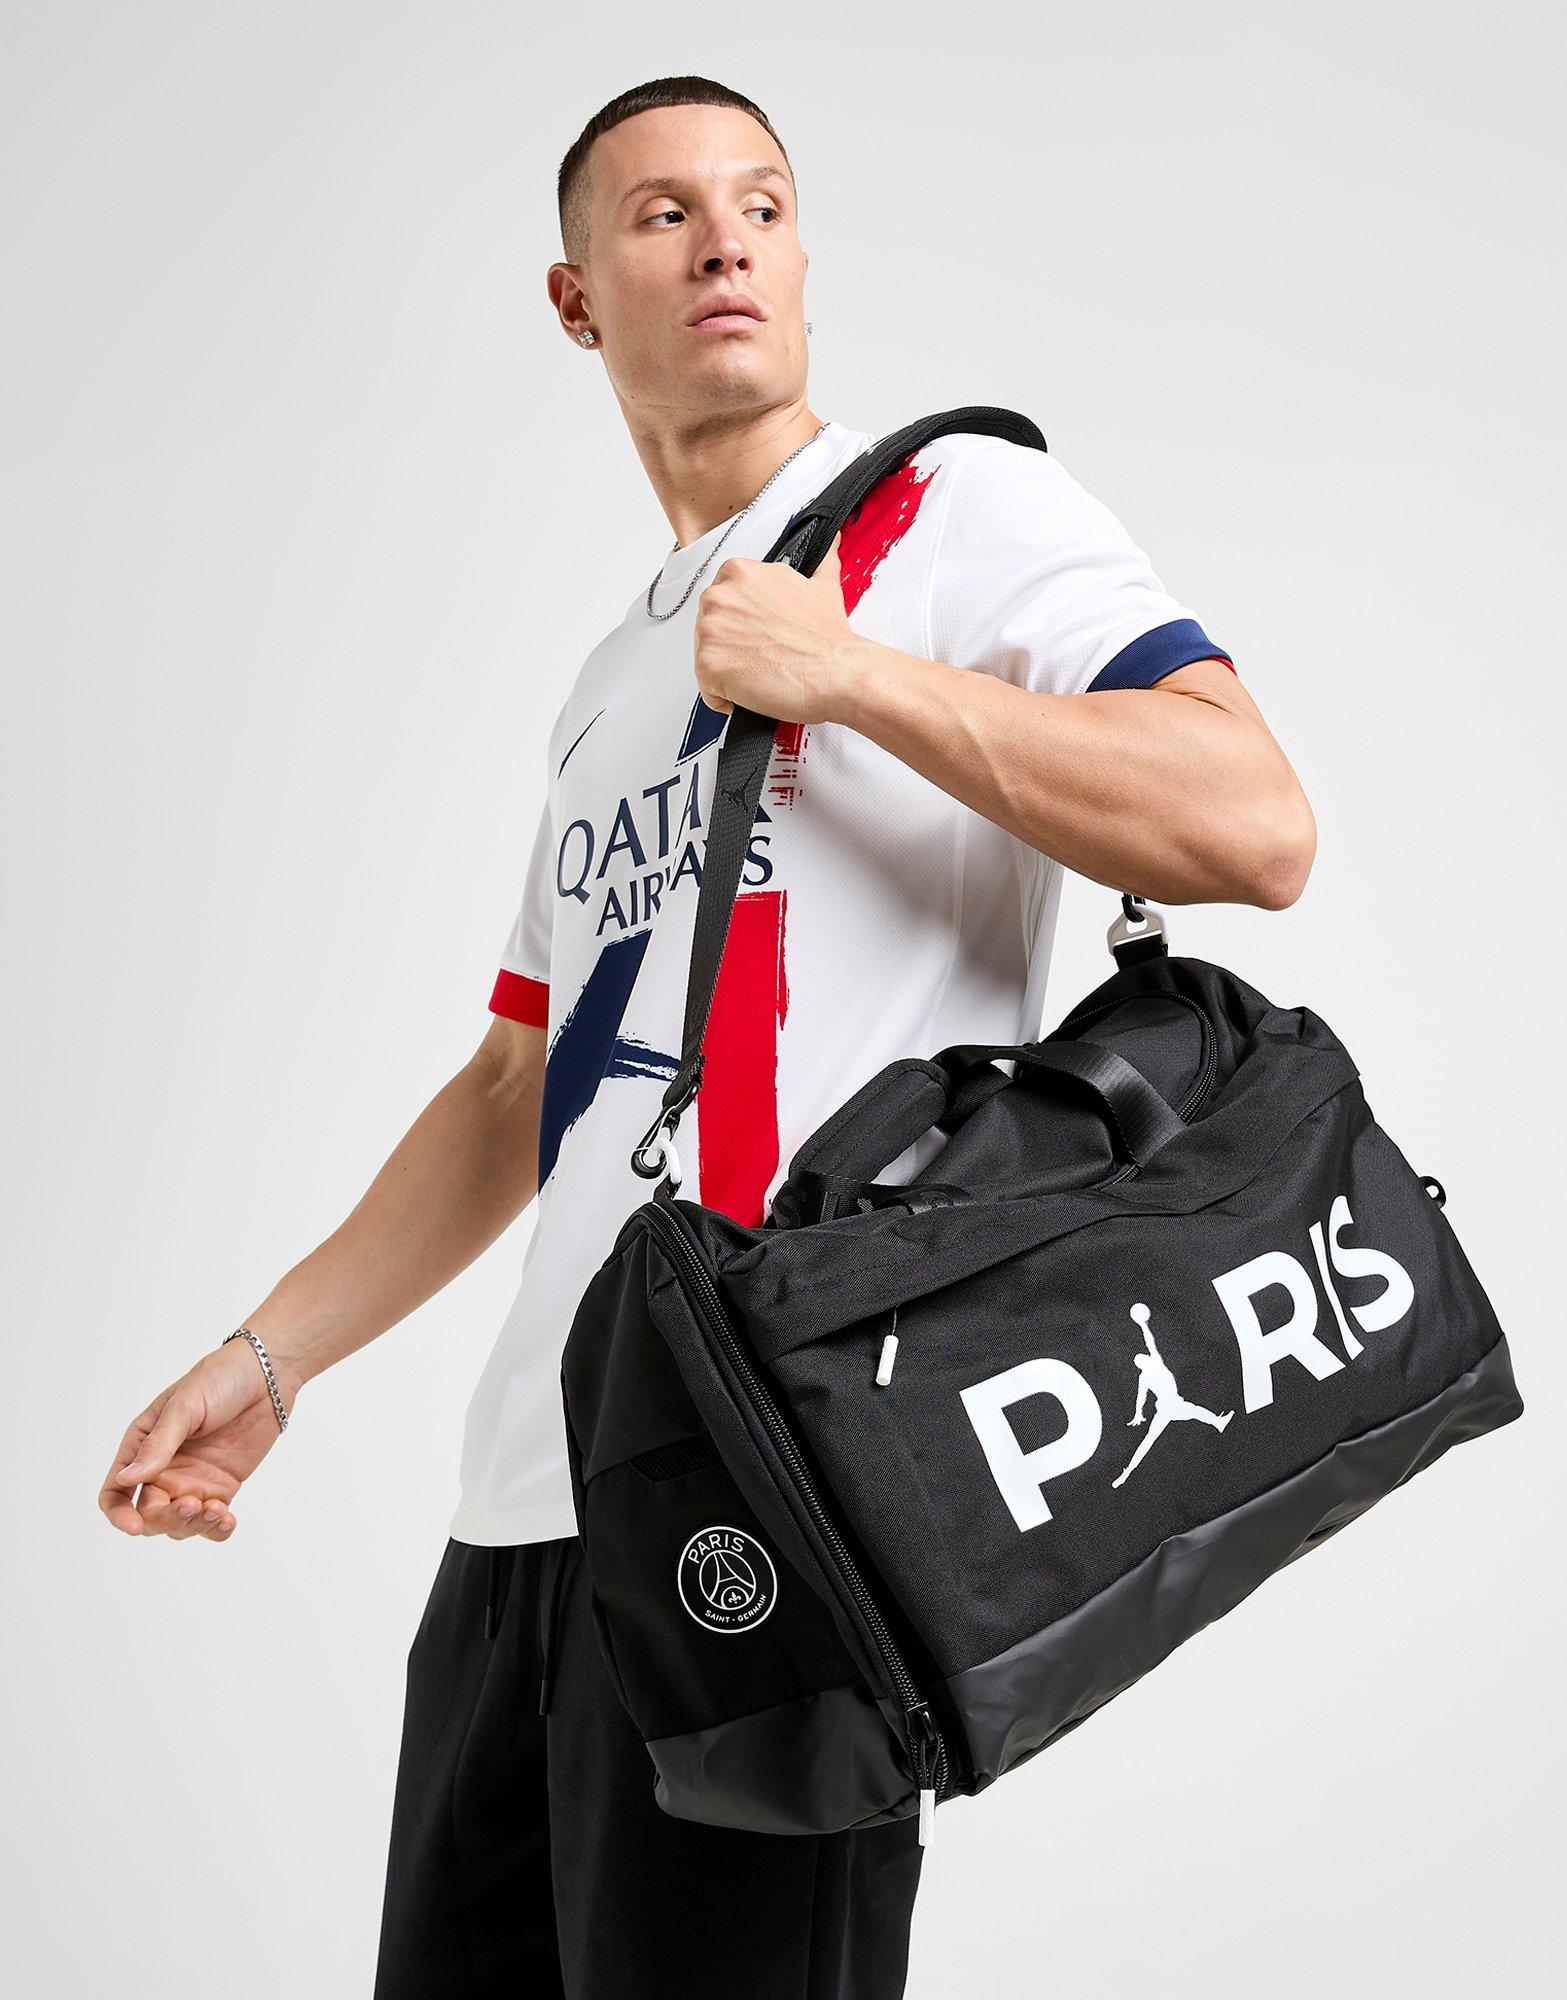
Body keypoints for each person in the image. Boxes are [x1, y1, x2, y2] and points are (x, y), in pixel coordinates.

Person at [96, 73, 1316, 1999]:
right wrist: (274, 1355)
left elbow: (1255, 824)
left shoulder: (954, 513)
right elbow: (519, 1083)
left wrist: (853, 675)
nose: (725, 242)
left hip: (780, 1484)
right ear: (577, 299)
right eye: (663, 214)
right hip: (526, 1512)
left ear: (805, 258)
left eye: (761, 204)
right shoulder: (611, 679)